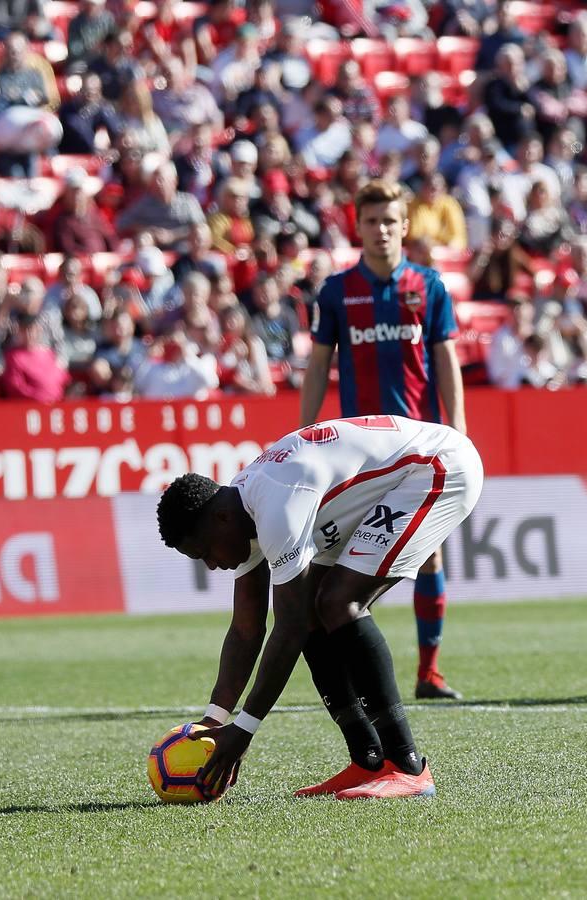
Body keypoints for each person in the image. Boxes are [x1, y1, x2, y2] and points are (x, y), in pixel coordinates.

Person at [156, 415, 483, 799]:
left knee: (338, 603)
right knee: (317, 608)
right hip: (396, 478)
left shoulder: (276, 506)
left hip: (437, 467)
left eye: (205, 552)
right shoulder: (239, 513)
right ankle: (368, 760)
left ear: (221, 518)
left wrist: (244, 728)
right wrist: (213, 721)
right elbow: (247, 628)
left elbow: (288, 627)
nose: (211, 564)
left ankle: (409, 766)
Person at [299, 179, 467, 701]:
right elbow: (319, 364)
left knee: (430, 557)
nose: (381, 230)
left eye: (390, 220)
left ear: (404, 225)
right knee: (345, 562)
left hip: (422, 445)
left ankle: (429, 672)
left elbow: (444, 356)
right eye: (371, 221)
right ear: (359, 226)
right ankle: (355, 668)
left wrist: (457, 425)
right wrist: (305, 432)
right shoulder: (337, 292)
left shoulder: (429, 286)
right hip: (361, 452)